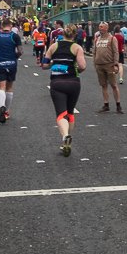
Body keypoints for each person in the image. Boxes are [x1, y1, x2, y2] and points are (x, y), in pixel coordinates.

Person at [41, 24, 86, 156]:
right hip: (73, 82)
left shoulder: (53, 47)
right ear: (74, 35)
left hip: (57, 82)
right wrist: (76, 71)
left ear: (63, 34)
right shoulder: (77, 48)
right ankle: (66, 140)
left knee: (61, 113)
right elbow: (82, 65)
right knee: (70, 112)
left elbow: (44, 65)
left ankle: (65, 136)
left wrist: (54, 65)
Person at [0, 19, 23, 124]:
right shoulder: (15, 36)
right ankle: (7, 111)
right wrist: (16, 56)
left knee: (1, 87)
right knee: (9, 88)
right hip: (12, 64)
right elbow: (20, 51)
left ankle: (2, 106)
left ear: (1, 26)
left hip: (0, 64)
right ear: (10, 26)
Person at [93, 22, 122, 114]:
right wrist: (95, 63)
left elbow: (115, 52)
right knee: (103, 85)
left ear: (106, 28)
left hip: (109, 65)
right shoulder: (97, 39)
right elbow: (94, 52)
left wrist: (116, 65)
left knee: (113, 85)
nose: (99, 28)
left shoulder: (112, 39)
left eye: (101, 27)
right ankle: (106, 105)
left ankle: (118, 105)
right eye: (99, 27)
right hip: (99, 65)